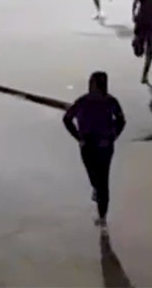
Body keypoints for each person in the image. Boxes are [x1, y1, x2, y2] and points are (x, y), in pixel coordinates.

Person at [63, 71, 127, 232]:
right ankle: (96, 189)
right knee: (94, 176)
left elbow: (121, 121)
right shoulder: (82, 102)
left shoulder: (111, 102)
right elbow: (67, 119)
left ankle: (102, 216)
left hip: (105, 146)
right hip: (88, 145)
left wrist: (113, 137)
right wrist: (78, 137)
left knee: (103, 181)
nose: (98, 88)